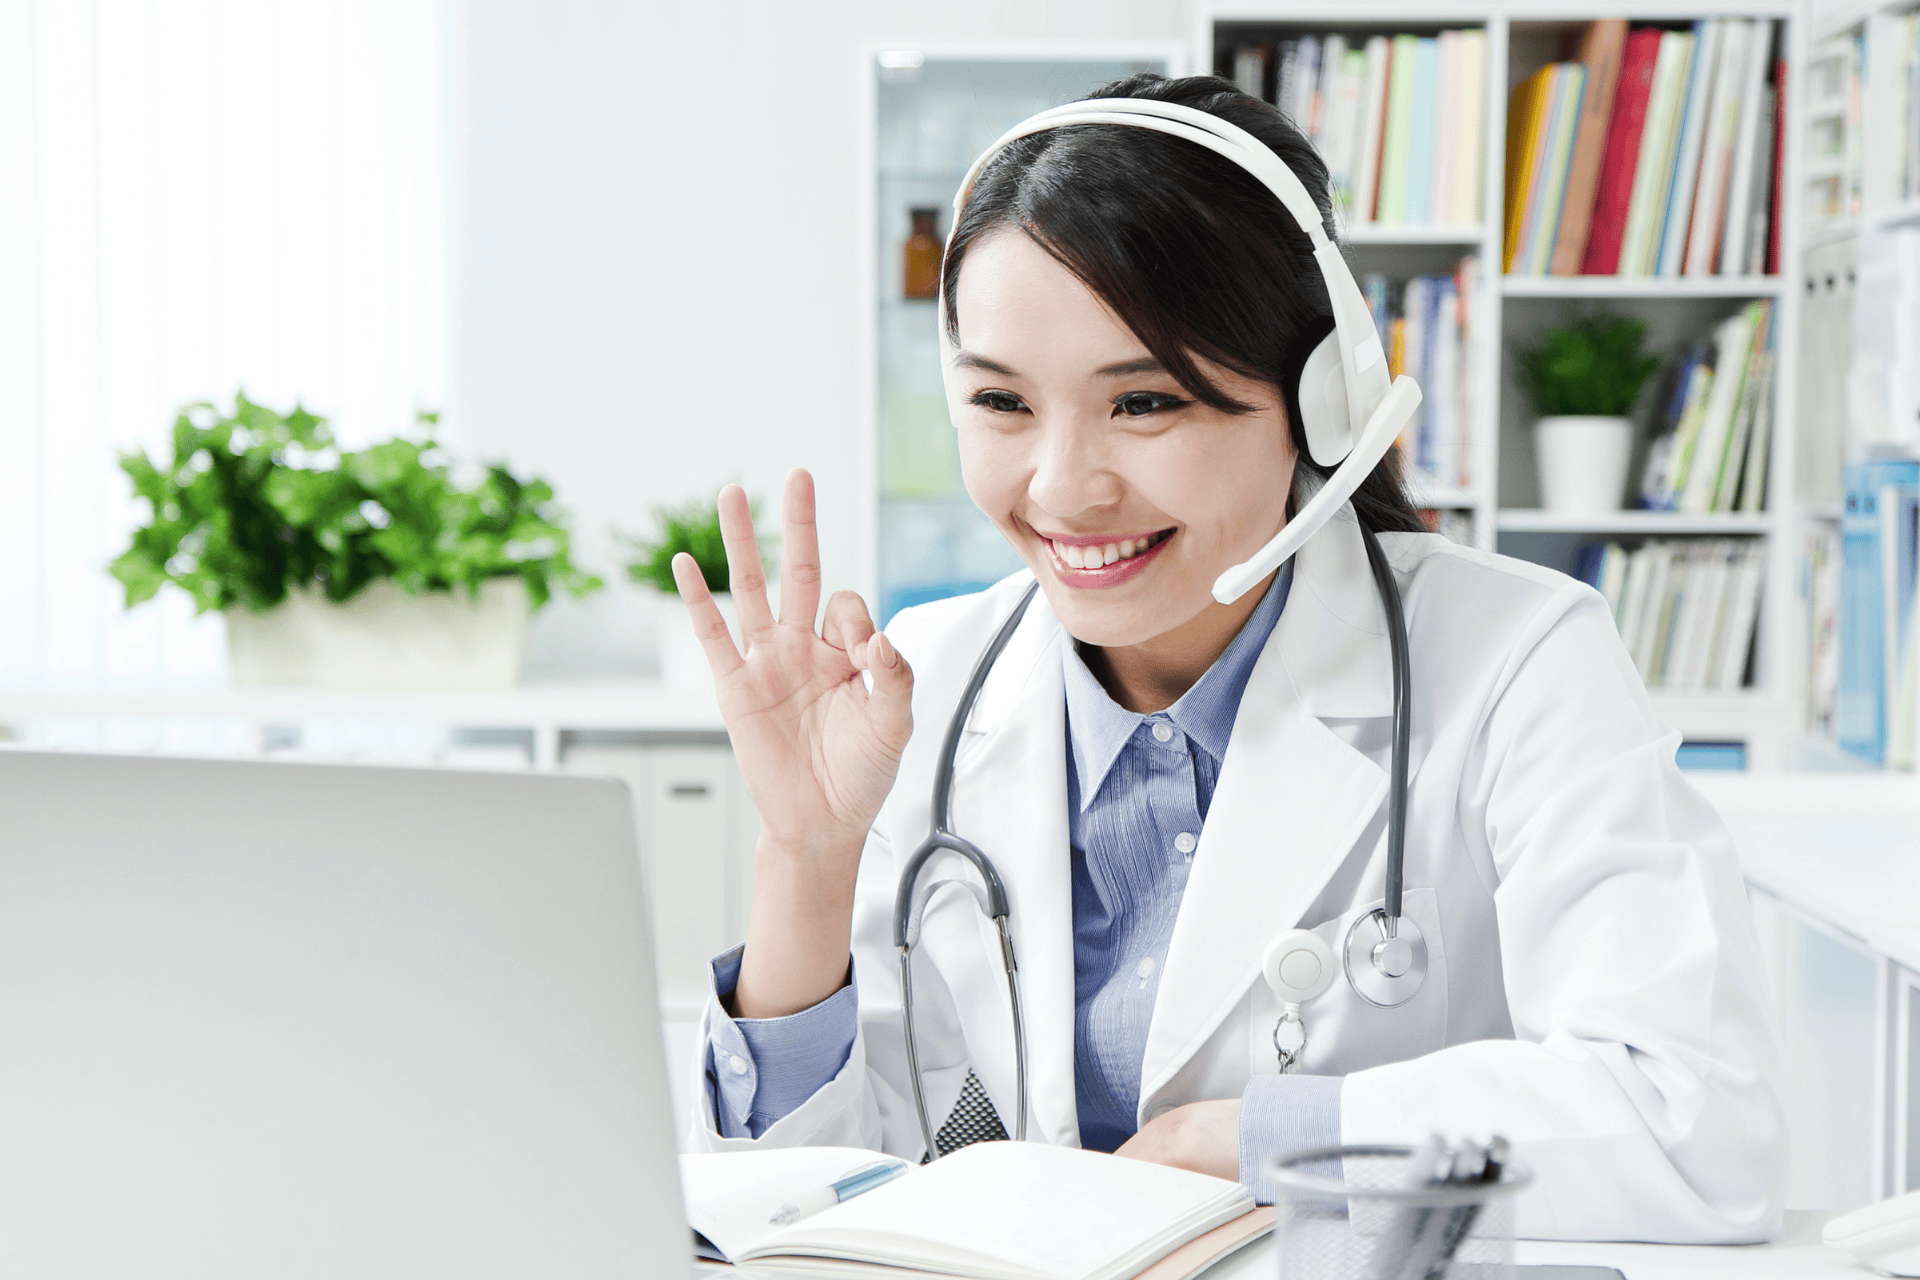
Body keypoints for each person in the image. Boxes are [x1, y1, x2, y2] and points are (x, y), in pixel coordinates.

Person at [675, 73, 1787, 1242]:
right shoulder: (926, 683)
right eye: (1002, 401)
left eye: (1145, 401)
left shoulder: (1518, 659)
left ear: (1322, 404)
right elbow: (804, 1210)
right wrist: (805, 857)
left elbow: (1697, 1124)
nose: (1062, 487)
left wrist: (1269, 1136)